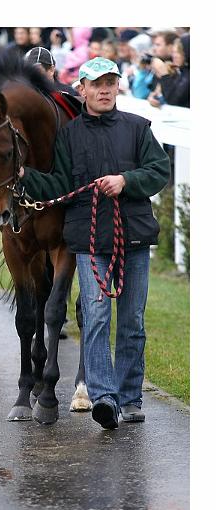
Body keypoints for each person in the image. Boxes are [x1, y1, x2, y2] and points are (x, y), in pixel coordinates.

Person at [17, 57, 170, 430]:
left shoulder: (138, 128)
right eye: (96, 83)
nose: (104, 89)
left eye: (110, 82)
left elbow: (159, 170)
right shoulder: (69, 136)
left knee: (132, 321)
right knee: (97, 318)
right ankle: (103, 398)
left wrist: (125, 181)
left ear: (118, 86)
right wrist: (24, 176)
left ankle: (130, 397)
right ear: (81, 89)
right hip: (88, 239)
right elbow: (61, 186)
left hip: (131, 235)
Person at [149, 33, 190, 108]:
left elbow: (174, 100)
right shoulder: (177, 70)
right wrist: (154, 98)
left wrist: (164, 74)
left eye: (178, 52)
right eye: (173, 52)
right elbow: (164, 95)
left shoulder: (187, 73)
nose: (174, 56)